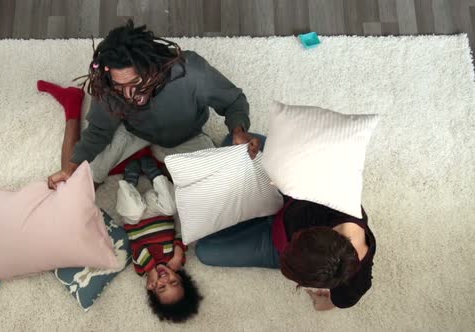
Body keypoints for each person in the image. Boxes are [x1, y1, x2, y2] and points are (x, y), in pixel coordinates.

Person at [46, 19, 260, 189]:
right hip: (133, 132)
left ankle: (152, 159)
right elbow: (99, 130)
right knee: (77, 181)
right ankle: (72, 107)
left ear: (152, 68)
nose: (129, 95)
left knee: (219, 189)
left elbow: (233, 100)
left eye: (136, 82)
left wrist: (238, 129)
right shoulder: (108, 85)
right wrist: (72, 166)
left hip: (185, 136)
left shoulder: (192, 72)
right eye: (120, 87)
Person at [194, 135, 376, 310]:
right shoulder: (340, 194)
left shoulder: (355, 284)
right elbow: (304, 163)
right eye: (296, 238)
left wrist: (322, 303)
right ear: (316, 231)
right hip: (290, 196)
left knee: (204, 250)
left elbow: (336, 302)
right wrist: (272, 169)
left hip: (275, 242)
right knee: (233, 142)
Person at [117, 155, 202, 323]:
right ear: (180, 278)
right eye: (173, 282)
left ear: (152, 287)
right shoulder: (176, 262)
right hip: (159, 211)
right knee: (172, 206)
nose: (165, 279)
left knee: (130, 210)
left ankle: (129, 181)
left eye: (162, 287)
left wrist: (150, 270)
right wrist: (177, 254)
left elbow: (138, 250)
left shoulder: (142, 270)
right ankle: (155, 174)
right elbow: (181, 238)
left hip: (136, 219)